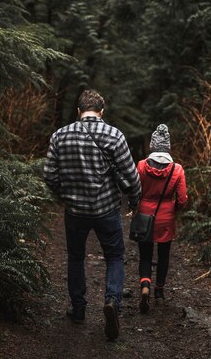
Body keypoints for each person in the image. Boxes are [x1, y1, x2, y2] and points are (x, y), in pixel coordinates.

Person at [43, 89, 141, 340]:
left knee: (76, 257)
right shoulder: (114, 135)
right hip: (106, 209)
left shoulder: (59, 136)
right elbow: (131, 175)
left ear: (79, 110)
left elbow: (49, 176)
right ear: (101, 111)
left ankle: (78, 310)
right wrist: (134, 199)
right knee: (115, 256)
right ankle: (112, 302)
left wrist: (65, 195)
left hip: (75, 211)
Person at [135, 124, 188, 313]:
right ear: (168, 147)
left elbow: (135, 190)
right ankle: (159, 293)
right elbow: (182, 199)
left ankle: (145, 286)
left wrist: (135, 206)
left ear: (152, 145)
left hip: (144, 215)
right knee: (164, 255)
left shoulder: (141, 165)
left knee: (146, 255)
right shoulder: (177, 169)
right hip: (166, 217)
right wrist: (174, 209)